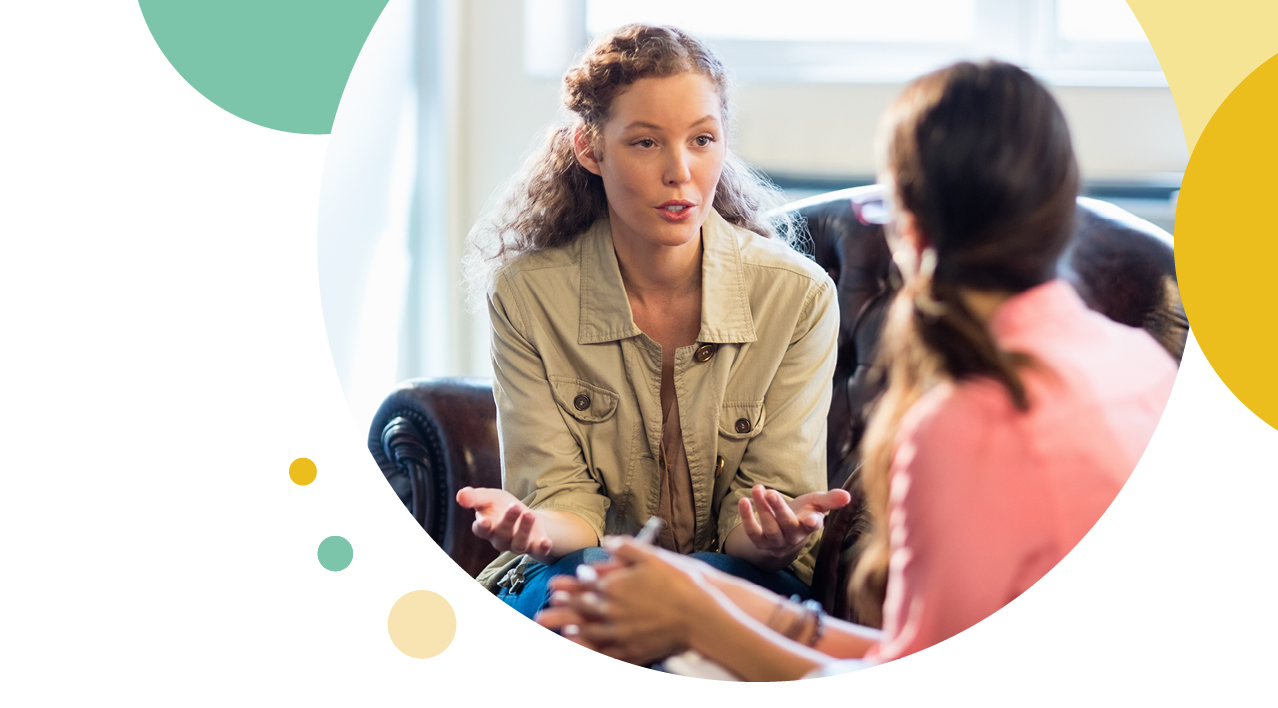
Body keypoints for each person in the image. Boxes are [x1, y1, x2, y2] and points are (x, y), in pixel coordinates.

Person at [536, 59, 1179, 679]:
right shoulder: (1141, 363)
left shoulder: (967, 425)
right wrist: (707, 592)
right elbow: (919, 650)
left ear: (913, 230)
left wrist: (698, 621)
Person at [457, 24, 849, 620]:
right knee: (590, 596)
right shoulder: (527, 293)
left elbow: (759, 523)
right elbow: (565, 503)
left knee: (686, 603)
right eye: (645, 143)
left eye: (702, 140)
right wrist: (536, 527)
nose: (680, 172)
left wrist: (773, 534)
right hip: (578, 568)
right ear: (590, 148)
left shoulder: (797, 296)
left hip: (735, 578)